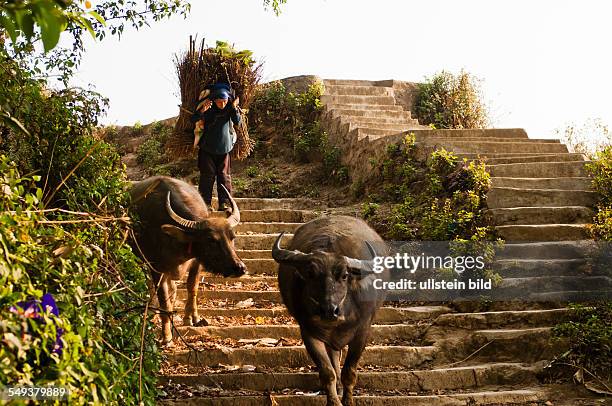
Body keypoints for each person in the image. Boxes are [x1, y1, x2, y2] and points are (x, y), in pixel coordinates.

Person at [192, 84, 240, 214]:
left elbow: (237, 121)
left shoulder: (230, 108)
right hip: (207, 148)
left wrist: (234, 108)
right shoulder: (207, 107)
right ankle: (205, 204)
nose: (222, 104)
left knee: (224, 176)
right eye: (219, 102)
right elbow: (194, 119)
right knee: (207, 176)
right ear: (214, 100)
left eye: (224, 101)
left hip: (225, 148)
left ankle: (224, 203)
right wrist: (201, 112)